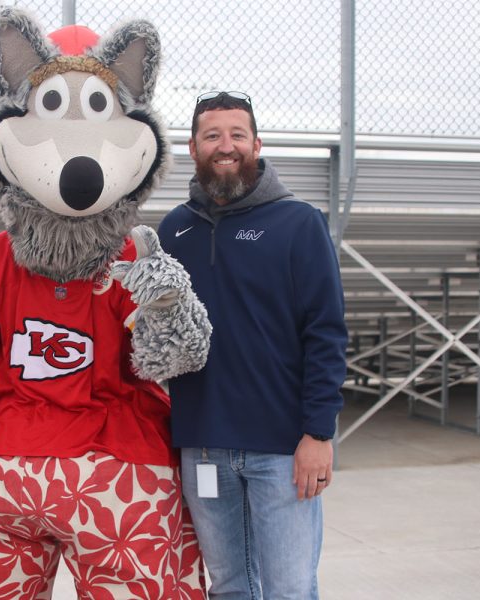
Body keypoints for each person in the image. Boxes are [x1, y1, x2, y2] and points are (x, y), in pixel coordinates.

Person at [159, 91, 348, 599]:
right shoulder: (174, 231)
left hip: (283, 451)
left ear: (256, 144)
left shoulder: (299, 224)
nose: (226, 146)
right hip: (202, 446)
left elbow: (326, 334)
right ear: (194, 148)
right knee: (228, 586)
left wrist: (318, 434)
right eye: (212, 135)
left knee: (288, 589)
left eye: (237, 134)